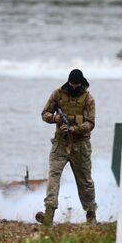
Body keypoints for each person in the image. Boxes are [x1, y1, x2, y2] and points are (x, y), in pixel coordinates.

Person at [36, 69, 97, 226]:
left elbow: (90, 123)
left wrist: (74, 129)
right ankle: (48, 215)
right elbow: (44, 113)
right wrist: (56, 118)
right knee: (53, 177)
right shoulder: (58, 94)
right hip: (61, 143)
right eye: (72, 85)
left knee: (85, 182)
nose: (74, 88)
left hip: (80, 144)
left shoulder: (88, 99)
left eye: (77, 85)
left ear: (81, 84)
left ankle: (91, 216)